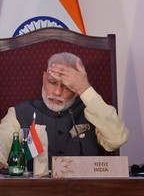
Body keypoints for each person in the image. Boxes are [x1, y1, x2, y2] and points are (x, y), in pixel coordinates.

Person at [0, 52, 129, 170]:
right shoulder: (20, 112)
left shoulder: (92, 111)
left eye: (67, 87)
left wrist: (85, 89)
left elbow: (117, 139)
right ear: (44, 78)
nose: (57, 92)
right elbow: (2, 139)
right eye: (52, 82)